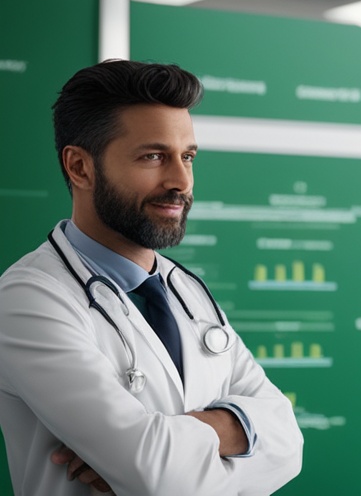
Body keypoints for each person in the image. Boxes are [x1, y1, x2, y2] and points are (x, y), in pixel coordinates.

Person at [0, 60, 303, 495]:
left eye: (188, 157)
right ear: (80, 168)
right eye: (153, 156)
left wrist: (187, 436)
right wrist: (239, 433)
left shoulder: (188, 292)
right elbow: (154, 477)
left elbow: (289, 444)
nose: (181, 180)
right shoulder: (30, 298)